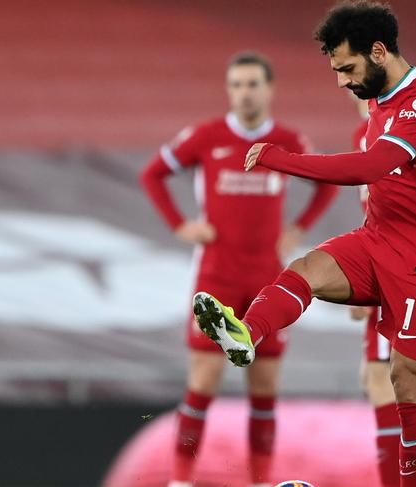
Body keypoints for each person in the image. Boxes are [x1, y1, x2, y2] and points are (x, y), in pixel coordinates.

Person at [191, 3, 416, 486]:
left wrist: (284, 160)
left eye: (347, 68)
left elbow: (368, 169)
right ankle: (246, 334)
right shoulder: (382, 104)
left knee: (406, 384)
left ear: (379, 51)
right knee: (308, 268)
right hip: (379, 240)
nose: (341, 82)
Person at [139, 51, 338, 487]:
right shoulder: (206, 136)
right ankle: (181, 480)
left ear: (269, 89)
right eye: (236, 85)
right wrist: (180, 226)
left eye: (252, 84)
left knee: (264, 391)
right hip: (217, 276)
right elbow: (152, 174)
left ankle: (262, 481)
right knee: (203, 384)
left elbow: (326, 180)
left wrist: (299, 226)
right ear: (228, 90)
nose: (244, 93)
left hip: (268, 279)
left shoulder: (287, 139)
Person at [349, 98, 416, 487]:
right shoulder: (366, 132)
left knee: (386, 381)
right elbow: (377, 209)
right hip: (392, 262)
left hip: (404, 270)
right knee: (374, 377)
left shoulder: (403, 126)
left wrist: (375, 283)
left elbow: (409, 212)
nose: (347, 83)